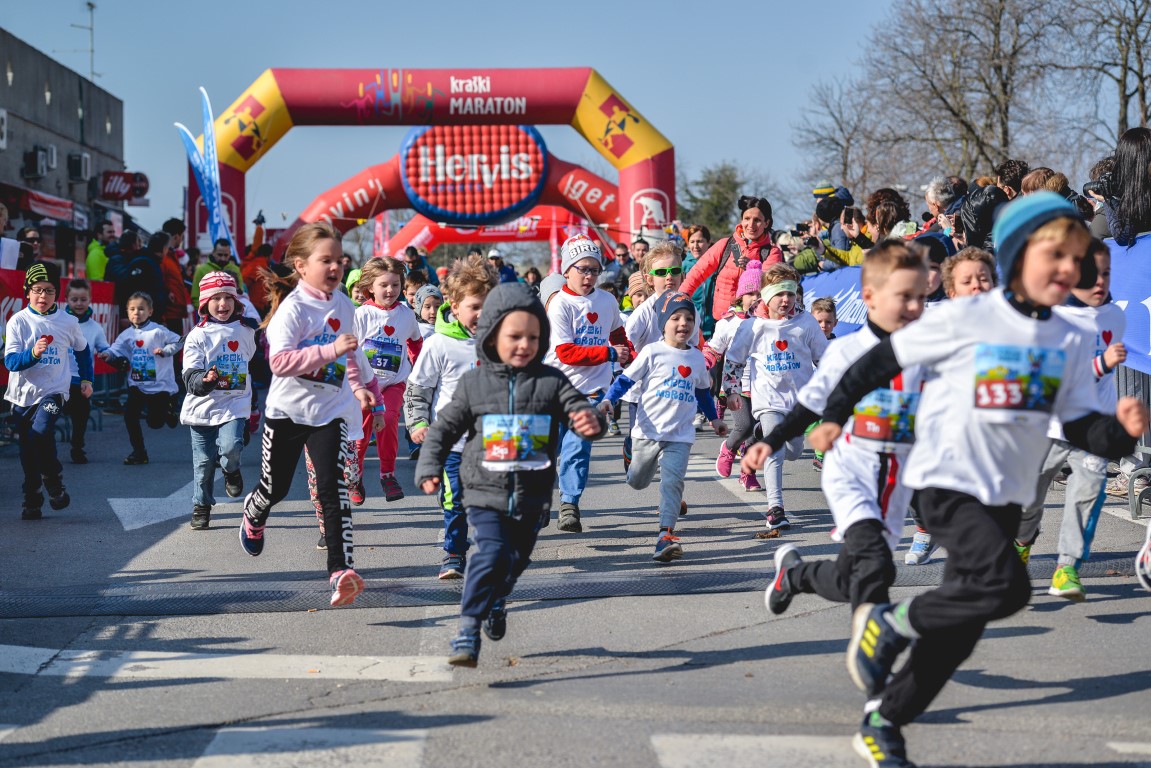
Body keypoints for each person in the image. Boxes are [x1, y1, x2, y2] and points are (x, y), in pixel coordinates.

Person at [805, 191, 1147, 768]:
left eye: (1075, 258)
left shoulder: (1067, 336)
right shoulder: (967, 317)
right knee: (1006, 587)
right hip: (946, 482)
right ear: (1017, 256)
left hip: (1004, 494)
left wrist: (1120, 433)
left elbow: (1077, 423)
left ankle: (884, 720)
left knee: (961, 629)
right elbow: (878, 362)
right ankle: (889, 622)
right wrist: (835, 415)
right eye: (1054, 256)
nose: (1069, 270)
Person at [415, 282, 607, 666]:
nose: (524, 345)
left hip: (532, 496)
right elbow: (444, 429)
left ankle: (498, 598)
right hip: (484, 490)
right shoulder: (474, 383)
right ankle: (468, 630)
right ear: (492, 335)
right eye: (514, 336)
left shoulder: (551, 381)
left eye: (533, 337)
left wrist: (590, 421)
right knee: (490, 553)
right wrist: (429, 467)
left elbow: (578, 408)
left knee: (515, 561)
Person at [744, 243, 929, 623]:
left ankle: (794, 576)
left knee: (854, 575)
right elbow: (809, 405)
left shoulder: (927, 351)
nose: (914, 307)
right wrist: (770, 441)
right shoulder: (846, 350)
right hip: (852, 475)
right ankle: (875, 639)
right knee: (876, 570)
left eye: (920, 298)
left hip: (896, 481)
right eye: (903, 297)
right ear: (870, 297)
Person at [242, 222, 378, 607]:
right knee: (277, 488)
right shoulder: (294, 309)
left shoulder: (345, 305)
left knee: (333, 490)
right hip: (287, 411)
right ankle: (254, 513)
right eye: (326, 260)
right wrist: (329, 350)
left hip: (329, 412)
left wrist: (360, 387)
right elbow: (280, 362)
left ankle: (341, 571)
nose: (335, 267)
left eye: (340, 260)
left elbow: (350, 354)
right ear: (301, 266)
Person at [1015, 238, 1126, 600]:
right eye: (1091, 273)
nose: (1100, 281)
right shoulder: (1052, 318)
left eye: (1106, 273)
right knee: (1027, 502)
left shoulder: (1115, 317)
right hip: (1048, 427)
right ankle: (1021, 545)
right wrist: (1101, 364)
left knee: (1086, 494)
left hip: (1094, 428)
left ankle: (1067, 568)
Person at [600, 292, 725, 561]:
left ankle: (665, 534)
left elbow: (702, 392)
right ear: (663, 323)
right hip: (647, 432)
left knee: (673, 481)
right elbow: (626, 380)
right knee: (637, 482)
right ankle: (629, 452)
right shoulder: (652, 352)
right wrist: (609, 399)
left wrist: (714, 419)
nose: (683, 323)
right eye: (676, 318)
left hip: (680, 435)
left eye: (689, 318)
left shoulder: (696, 358)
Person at [406, 256, 499, 579]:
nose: (482, 314)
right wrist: (418, 423)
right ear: (455, 307)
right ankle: (455, 553)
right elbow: (418, 389)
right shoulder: (439, 344)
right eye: (474, 307)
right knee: (455, 500)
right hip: (454, 443)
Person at [723, 263, 828, 530]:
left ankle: (758, 433)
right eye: (780, 294)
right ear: (766, 296)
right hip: (768, 401)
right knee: (776, 450)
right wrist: (731, 391)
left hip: (799, 402)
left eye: (790, 294)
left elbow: (824, 358)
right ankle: (775, 508)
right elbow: (734, 360)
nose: (786, 300)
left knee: (794, 451)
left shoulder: (806, 323)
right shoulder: (753, 326)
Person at [544, 234, 630, 533]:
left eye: (595, 270)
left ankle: (569, 504)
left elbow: (618, 334)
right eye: (582, 269)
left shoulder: (607, 300)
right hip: (555, 390)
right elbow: (565, 353)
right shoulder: (560, 304)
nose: (589, 276)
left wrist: (630, 357)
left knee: (577, 449)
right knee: (546, 452)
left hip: (591, 392)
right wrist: (608, 353)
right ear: (567, 270)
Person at [4, 263, 93, 519]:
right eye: (38, 290)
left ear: (57, 293)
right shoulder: (18, 321)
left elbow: (83, 350)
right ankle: (33, 496)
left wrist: (87, 379)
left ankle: (52, 480)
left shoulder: (68, 321)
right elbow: (10, 362)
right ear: (27, 292)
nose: (43, 296)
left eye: (50, 290)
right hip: (22, 396)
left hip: (54, 391)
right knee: (28, 448)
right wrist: (33, 354)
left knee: (40, 432)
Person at [180, 272, 258, 530]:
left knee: (231, 446)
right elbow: (190, 374)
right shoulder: (197, 335)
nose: (223, 304)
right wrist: (205, 379)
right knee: (203, 463)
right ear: (205, 303)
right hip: (202, 406)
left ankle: (231, 470)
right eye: (216, 298)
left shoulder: (246, 331)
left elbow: (249, 362)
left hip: (234, 403)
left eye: (228, 298)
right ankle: (201, 506)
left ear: (236, 301)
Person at [352, 257, 423, 503]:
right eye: (383, 285)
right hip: (364, 387)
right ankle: (355, 477)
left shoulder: (406, 314)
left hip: (394, 382)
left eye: (395, 284)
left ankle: (388, 475)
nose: (390, 290)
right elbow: (349, 350)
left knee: (390, 419)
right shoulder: (361, 315)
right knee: (361, 434)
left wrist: (419, 369)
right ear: (370, 287)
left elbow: (415, 342)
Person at [619, 242, 689, 465]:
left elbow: (693, 344)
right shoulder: (643, 312)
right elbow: (625, 342)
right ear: (649, 279)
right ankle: (631, 452)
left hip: (673, 387)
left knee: (669, 440)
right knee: (639, 440)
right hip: (642, 390)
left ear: (682, 274)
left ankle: (669, 481)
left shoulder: (687, 308)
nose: (669, 277)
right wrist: (636, 363)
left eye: (674, 271)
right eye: (661, 273)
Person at [101, 292, 183, 464]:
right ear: (127, 312)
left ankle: (169, 410)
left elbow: (179, 341)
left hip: (159, 385)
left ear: (150, 311)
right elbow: (115, 348)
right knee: (130, 416)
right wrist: (107, 354)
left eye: (141, 309)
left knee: (155, 423)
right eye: (132, 309)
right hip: (137, 384)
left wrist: (165, 351)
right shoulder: (126, 334)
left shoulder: (157, 331)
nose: (136, 313)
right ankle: (139, 452)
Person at [706, 260, 764, 491]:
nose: (756, 298)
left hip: (763, 385)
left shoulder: (769, 322)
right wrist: (702, 366)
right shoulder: (728, 322)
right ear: (740, 296)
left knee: (759, 431)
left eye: (760, 293)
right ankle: (729, 448)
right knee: (745, 426)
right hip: (736, 385)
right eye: (751, 293)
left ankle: (747, 473)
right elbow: (714, 350)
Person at [680, 196, 783, 323]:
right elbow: (697, 272)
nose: (751, 225)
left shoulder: (772, 252)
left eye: (757, 220)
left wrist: (752, 268)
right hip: (723, 320)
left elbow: (769, 284)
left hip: (755, 321)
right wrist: (681, 297)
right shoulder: (725, 245)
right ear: (741, 220)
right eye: (747, 219)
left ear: (766, 223)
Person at [62, 278, 110, 464]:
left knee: (81, 416)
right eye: (74, 299)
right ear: (66, 299)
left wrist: (107, 354)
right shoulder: (59, 323)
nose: (79, 303)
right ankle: (44, 450)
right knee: (50, 414)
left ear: (90, 300)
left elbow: (103, 346)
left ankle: (77, 447)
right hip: (58, 379)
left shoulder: (95, 327)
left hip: (82, 381)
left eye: (83, 299)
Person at [191, 240, 245, 308]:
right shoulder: (201, 270)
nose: (223, 258)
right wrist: (206, 310)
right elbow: (196, 297)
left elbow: (240, 293)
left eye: (226, 255)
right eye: (220, 255)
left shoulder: (235, 269)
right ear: (213, 253)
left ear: (230, 254)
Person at [160, 222, 190, 334]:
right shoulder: (164, 258)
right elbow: (160, 284)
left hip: (176, 312)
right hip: (169, 314)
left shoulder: (173, 256)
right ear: (177, 236)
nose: (181, 240)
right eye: (182, 237)